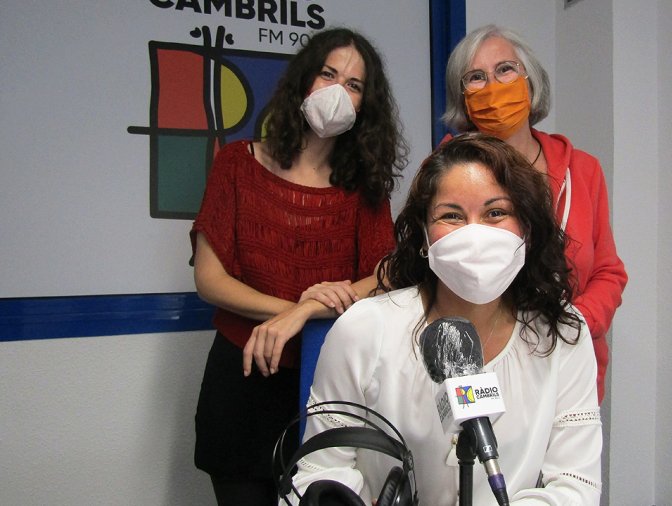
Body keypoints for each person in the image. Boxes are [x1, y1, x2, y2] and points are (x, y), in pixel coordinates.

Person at [290, 134, 601, 505]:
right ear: (424, 237)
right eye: (451, 215)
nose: (474, 233)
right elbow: (319, 471)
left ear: (527, 231)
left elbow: (574, 485)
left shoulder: (562, 333)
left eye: (495, 213)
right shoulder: (365, 329)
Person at [190, 27, 407, 505]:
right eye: (328, 74)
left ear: (364, 105)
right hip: (241, 379)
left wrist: (305, 314)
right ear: (303, 81)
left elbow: (389, 276)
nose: (337, 91)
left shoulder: (365, 189)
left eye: (353, 84)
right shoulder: (236, 164)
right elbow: (209, 279)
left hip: (330, 382)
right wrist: (294, 307)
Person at [442, 25, 627, 403]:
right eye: (475, 77)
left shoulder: (583, 169)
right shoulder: (446, 169)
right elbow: (428, 271)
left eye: (505, 70)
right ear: (463, 97)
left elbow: (609, 272)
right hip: (478, 368)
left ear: (531, 81)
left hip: (567, 367)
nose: (492, 85)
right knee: (472, 461)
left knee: (566, 463)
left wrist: (574, 325)